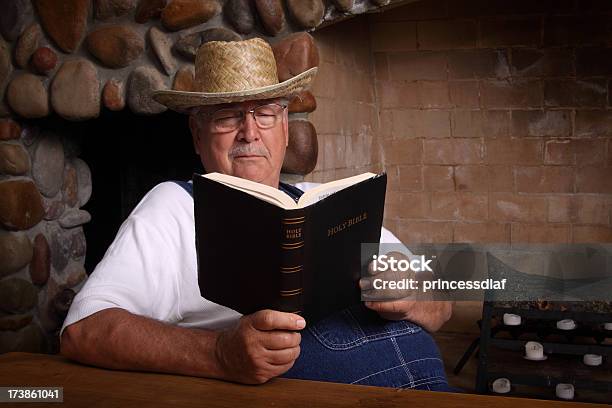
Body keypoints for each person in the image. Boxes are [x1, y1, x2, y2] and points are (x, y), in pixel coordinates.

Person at [60, 37, 453, 390]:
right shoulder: (173, 206)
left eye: (264, 113)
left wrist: (413, 295)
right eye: (228, 116)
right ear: (198, 136)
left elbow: (445, 300)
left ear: (284, 127)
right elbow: (82, 330)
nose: (249, 131)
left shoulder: (322, 200)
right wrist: (218, 353)